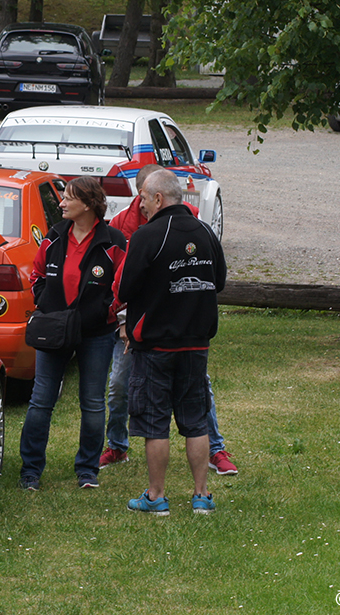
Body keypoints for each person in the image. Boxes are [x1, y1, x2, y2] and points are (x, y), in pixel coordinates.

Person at [102, 165, 239, 476]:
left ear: (159, 198)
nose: (142, 206)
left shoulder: (147, 235)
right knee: (194, 422)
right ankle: (201, 495)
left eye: (145, 200)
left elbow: (125, 288)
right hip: (196, 340)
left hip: (156, 344)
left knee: (155, 424)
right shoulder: (204, 231)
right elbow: (218, 281)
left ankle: (156, 494)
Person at [18, 176, 126, 490]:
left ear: (89, 204)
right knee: (41, 400)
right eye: (63, 198)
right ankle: (30, 472)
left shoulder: (114, 241)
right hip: (52, 330)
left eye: (68, 198)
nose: (61, 203)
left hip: (96, 333)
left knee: (92, 402)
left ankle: (87, 471)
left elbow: (122, 287)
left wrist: (104, 313)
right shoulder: (53, 237)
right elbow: (36, 275)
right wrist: (46, 303)